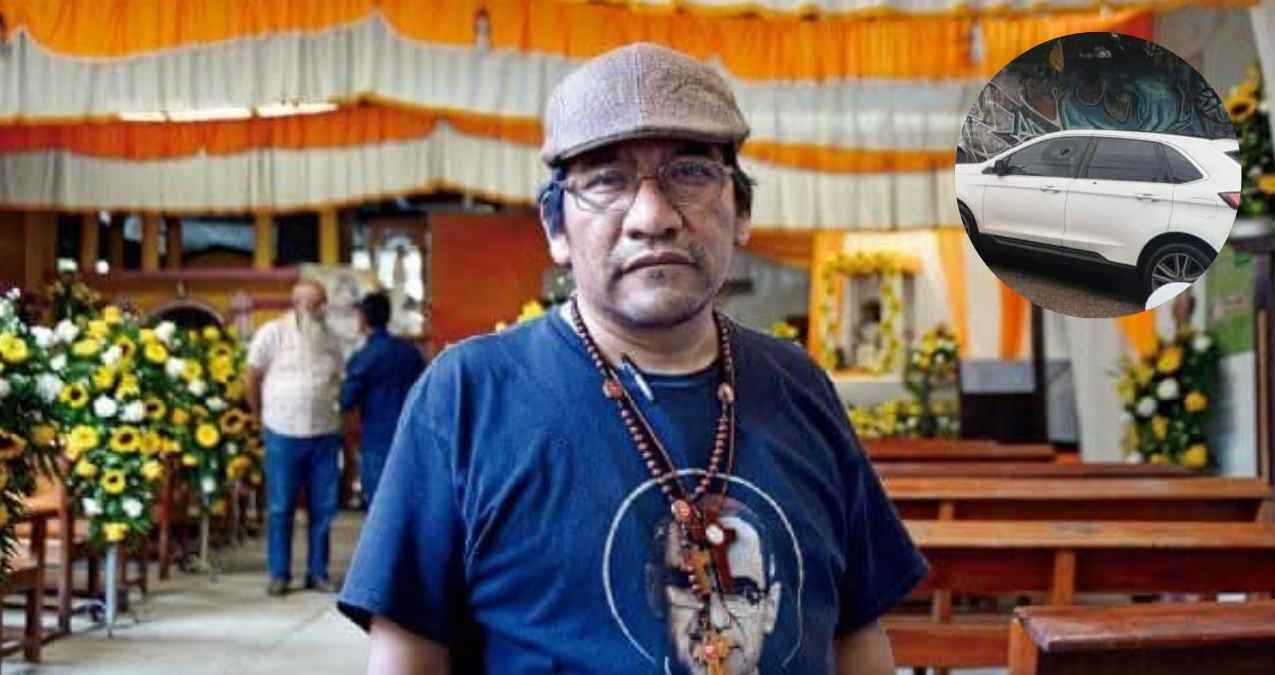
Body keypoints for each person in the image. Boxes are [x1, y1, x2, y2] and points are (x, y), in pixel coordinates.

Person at [338, 43, 927, 674]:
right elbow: (407, 654)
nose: (653, 217)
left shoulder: (797, 383)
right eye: (605, 180)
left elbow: (856, 634)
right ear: (555, 227)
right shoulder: (468, 396)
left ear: (741, 210)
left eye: (690, 173)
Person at [246, 279, 345, 596]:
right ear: (297, 302)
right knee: (280, 506)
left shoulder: (332, 338)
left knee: (324, 507)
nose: (318, 308)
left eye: (321, 302)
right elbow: (252, 374)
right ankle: (279, 574)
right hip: (282, 430)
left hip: (324, 432)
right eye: (313, 302)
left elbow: (339, 379)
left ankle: (318, 573)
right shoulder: (272, 333)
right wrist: (258, 415)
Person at [339, 292, 427, 507]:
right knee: (410, 504)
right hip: (412, 438)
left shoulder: (364, 356)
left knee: (380, 507)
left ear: (363, 319)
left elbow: (347, 399)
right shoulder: (410, 352)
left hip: (377, 441)